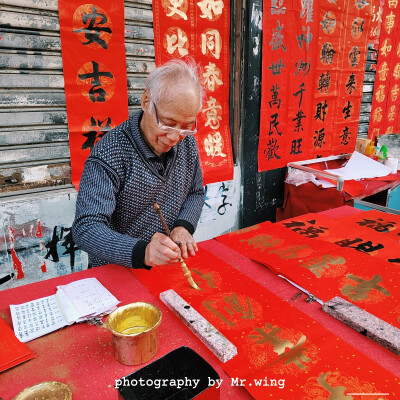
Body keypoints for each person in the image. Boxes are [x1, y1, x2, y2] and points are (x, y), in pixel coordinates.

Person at [72, 59, 205, 269]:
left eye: (186, 126)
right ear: (146, 102)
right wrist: (143, 252)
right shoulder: (110, 153)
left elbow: (195, 192)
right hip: (115, 271)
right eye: (168, 123)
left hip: (163, 268)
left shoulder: (186, 142)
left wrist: (183, 226)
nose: (175, 136)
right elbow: (87, 228)